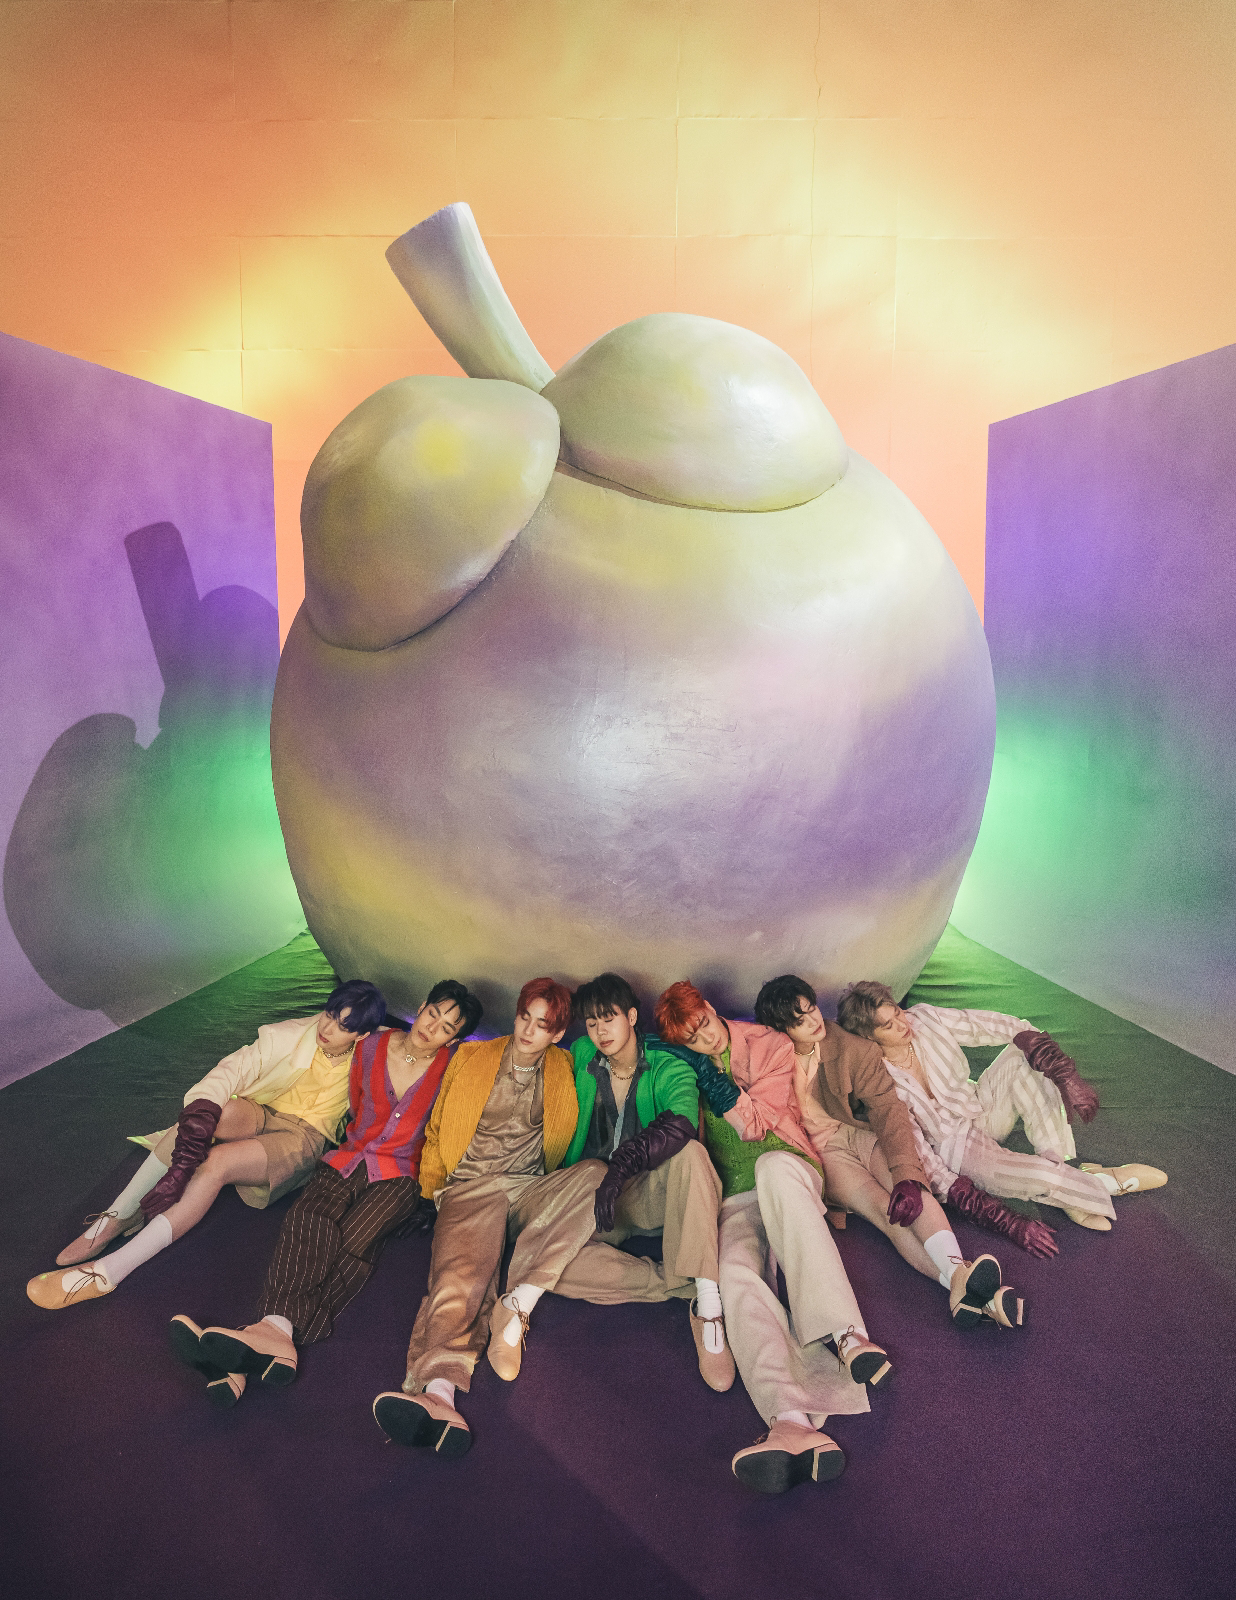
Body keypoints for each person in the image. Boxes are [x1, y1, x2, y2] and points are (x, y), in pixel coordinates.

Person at [168, 980, 482, 1406]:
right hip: (347, 1156)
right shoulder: (370, 1046)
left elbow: (450, 1125)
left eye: (447, 1027)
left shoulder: (454, 1069)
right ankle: (271, 1340)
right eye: (432, 1014)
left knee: (354, 1240)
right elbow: (354, 1099)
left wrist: (434, 1190)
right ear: (422, 1006)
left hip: (401, 1175)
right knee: (307, 1217)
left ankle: (265, 1335)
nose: (433, 1027)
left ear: (455, 1039)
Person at [654, 980, 897, 1495]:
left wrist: (706, 1073)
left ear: (711, 1008)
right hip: (734, 1193)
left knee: (771, 1169)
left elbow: (756, 1125)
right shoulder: (682, 1066)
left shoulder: (768, 1043)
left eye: (704, 1024)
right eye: (690, 1039)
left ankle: (846, 1336)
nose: (705, 1039)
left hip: (787, 1165)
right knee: (734, 1273)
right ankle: (790, 1421)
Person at [27, 979, 387, 1311]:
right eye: (329, 1014)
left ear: (361, 1034)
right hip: (261, 1111)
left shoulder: (375, 1053)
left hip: (302, 1137)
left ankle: (110, 1271)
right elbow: (232, 1069)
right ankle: (118, 1217)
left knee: (217, 1163)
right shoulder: (288, 1034)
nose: (327, 1029)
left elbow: (405, 1050)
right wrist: (200, 1115)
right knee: (206, 1113)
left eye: (343, 1026)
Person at [371, 978, 606, 1460]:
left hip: (529, 1186)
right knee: (459, 1279)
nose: (528, 1030)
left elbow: (612, 1049)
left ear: (557, 1034)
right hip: (471, 1186)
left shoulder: (565, 1065)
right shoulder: (473, 1056)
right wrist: (431, 1192)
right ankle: (439, 1392)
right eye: (525, 1017)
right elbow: (437, 1126)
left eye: (542, 1025)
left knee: (597, 1175)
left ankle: (519, 1298)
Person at [751, 975, 1027, 1326]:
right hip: (823, 1152)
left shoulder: (852, 1047)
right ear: (781, 1029)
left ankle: (961, 1282)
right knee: (886, 1214)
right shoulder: (768, 1059)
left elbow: (888, 1110)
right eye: (799, 1020)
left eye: (812, 1009)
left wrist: (907, 1175)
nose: (813, 1021)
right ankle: (973, 1292)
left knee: (911, 1192)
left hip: (858, 1132)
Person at [835, 980, 1166, 1234]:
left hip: (979, 1106)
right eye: (888, 1025)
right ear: (869, 1036)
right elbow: (912, 1146)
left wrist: (1062, 1070)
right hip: (953, 1148)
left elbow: (997, 1025)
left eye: (897, 1012)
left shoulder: (924, 1018)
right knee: (1029, 1173)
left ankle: (1059, 1171)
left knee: (1022, 1052)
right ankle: (1100, 1183)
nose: (902, 1023)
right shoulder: (877, 1078)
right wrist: (949, 1186)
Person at [551, 972, 733, 1390]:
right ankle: (674, 1283)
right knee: (543, 1264)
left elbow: (682, 1121)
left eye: (609, 1019)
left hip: (650, 1192)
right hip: (597, 1199)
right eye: (592, 1023)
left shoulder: (666, 1061)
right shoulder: (581, 1055)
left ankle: (708, 1305)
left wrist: (621, 1167)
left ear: (631, 1017)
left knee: (692, 1154)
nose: (601, 1031)